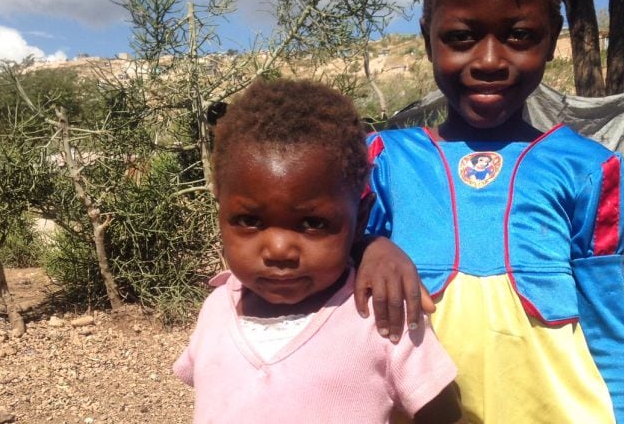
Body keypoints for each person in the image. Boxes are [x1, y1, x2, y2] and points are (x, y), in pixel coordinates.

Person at [354, 0, 624, 423]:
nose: (490, 59)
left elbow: (607, 324)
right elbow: (324, 264)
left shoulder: (586, 169)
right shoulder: (383, 161)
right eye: (462, 37)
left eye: (519, 35)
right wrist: (370, 247)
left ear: (552, 38)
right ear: (428, 39)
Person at [173, 79, 462, 423]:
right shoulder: (216, 309)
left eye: (313, 223)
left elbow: (443, 414)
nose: (279, 249)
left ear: (361, 218)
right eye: (249, 220)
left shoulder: (379, 315)